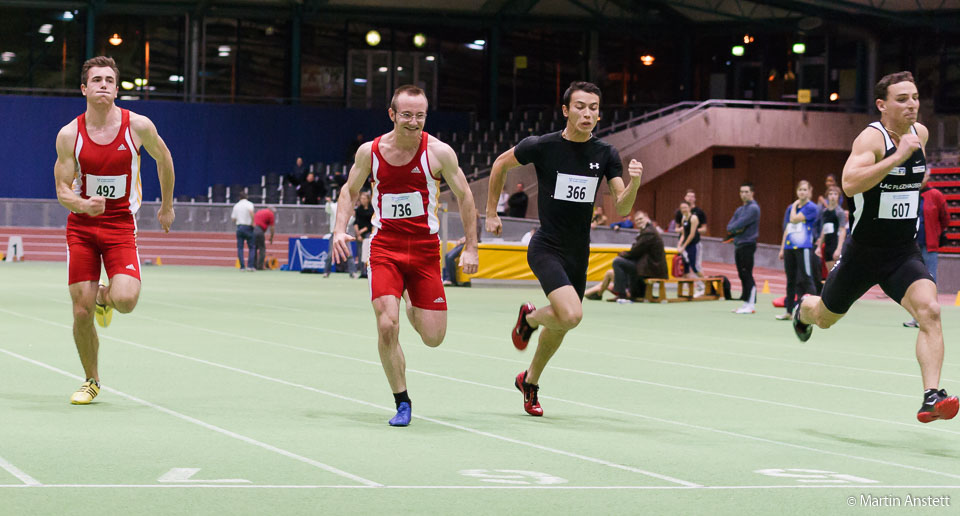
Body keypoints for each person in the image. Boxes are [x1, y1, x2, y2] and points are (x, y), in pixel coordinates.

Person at [792, 72, 958, 423]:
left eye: (914, 97)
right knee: (824, 318)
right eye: (902, 99)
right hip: (863, 254)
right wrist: (896, 158)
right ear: (883, 105)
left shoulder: (921, 135)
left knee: (930, 311)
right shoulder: (871, 139)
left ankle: (931, 396)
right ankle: (802, 309)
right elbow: (850, 184)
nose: (911, 104)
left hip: (902, 252)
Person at [485, 81, 643, 417]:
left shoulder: (606, 154)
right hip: (546, 247)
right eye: (581, 106)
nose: (588, 113)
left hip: (577, 253)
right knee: (571, 315)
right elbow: (499, 164)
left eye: (594, 108)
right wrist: (490, 213)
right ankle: (528, 318)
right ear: (565, 111)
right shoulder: (542, 146)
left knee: (559, 326)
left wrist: (635, 183)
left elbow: (624, 207)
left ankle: (529, 381)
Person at [330, 85, 479, 427]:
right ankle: (402, 401)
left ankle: (412, 302)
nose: (413, 122)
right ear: (392, 114)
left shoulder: (439, 153)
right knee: (386, 325)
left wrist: (471, 246)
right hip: (385, 248)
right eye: (407, 114)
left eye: (420, 115)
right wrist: (340, 229)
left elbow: (466, 196)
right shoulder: (371, 152)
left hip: (425, 251)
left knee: (433, 338)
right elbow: (349, 190)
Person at [54, 56, 175, 404]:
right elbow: (62, 189)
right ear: (84, 88)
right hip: (81, 227)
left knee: (125, 300)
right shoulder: (70, 135)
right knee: (80, 311)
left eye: (109, 80)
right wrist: (81, 205)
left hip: (121, 225)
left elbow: (164, 159)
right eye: (96, 80)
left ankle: (104, 298)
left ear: (116, 88)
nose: (103, 85)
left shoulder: (138, 126)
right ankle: (91, 380)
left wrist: (166, 206)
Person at [584, 211, 666, 301]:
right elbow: (637, 250)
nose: (639, 221)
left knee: (618, 261)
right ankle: (600, 293)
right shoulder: (648, 230)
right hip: (648, 265)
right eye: (637, 220)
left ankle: (621, 294)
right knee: (614, 268)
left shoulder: (648, 232)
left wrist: (622, 254)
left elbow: (635, 251)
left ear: (647, 218)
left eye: (641, 219)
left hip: (651, 268)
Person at [904, 171, 949, 328]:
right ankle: (916, 317)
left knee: (929, 281)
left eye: (923, 175)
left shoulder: (935, 194)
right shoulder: (909, 193)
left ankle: (931, 316)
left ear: (928, 177)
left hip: (929, 246)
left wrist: (936, 233)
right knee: (912, 281)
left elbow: (945, 218)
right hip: (911, 246)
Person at [776, 180, 819, 320]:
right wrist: (782, 248)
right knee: (790, 280)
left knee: (807, 277)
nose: (802, 192)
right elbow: (788, 227)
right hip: (790, 247)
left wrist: (794, 205)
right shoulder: (790, 207)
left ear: (810, 191)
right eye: (800, 190)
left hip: (804, 247)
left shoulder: (811, 207)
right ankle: (789, 312)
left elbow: (794, 219)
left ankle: (815, 311)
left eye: (805, 190)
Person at [726, 182, 761, 314]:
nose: (744, 194)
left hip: (748, 244)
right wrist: (736, 228)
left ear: (752, 193)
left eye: (746, 192)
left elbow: (737, 225)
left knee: (747, 273)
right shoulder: (740, 209)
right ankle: (746, 303)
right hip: (738, 244)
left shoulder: (753, 208)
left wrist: (737, 228)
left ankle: (751, 304)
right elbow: (730, 227)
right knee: (741, 274)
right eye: (741, 192)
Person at [815, 185, 847, 273]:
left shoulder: (839, 212)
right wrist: (819, 247)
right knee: (830, 274)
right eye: (830, 194)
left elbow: (842, 230)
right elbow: (824, 230)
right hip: (827, 246)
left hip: (835, 244)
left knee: (837, 273)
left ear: (838, 197)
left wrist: (839, 248)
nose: (832, 196)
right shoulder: (825, 212)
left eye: (835, 194)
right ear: (827, 196)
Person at [673, 189, 707, 273]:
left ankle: (702, 285)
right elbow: (678, 230)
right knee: (684, 266)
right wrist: (680, 244)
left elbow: (703, 229)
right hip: (684, 242)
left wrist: (693, 229)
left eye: (692, 196)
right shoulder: (682, 215)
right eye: (688, 196)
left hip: (694, 243)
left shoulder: (697, 214)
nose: (690, 198)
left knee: (695, 266)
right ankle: (686, 285)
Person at [676, 201, 705, 296]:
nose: (683, 210)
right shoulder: (683, 218)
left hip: (695, 245)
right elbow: (684, 234)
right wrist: (679, 244)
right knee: (686, 267)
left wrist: (683, 246)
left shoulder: (694, 218)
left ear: (689, 208)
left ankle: (704, 287)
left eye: (685, 207)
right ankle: (690, 289)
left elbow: (692, 234)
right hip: (687, 245)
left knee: (695, 266)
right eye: (682, 208)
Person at [231, 191, 256, 271]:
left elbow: (233, 218)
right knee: (251, 247)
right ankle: (250, 266)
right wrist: (253, 222)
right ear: (247, 197)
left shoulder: (236, 205)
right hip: (248, 226)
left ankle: (242, 266)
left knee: (240, 248)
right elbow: (251, 212)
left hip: (240, 226)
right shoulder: (249, 204)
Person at [353, 190, 374, 277]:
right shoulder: (358, 210)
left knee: (367, 252)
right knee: (360, 252)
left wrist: (362, 231)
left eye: (364, 198)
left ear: (368, 199)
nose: (362, 200)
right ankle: (362, 271)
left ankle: (367, 270)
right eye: (361, 198)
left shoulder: (371, 210)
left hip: (367, 233)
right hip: (359, 234)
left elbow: (371, 223)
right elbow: (356, 222)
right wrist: (358, 233)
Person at [253, 206, 276, 270]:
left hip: (253, 229)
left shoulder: (260, 211)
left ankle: (253, 265)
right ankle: (260, 266)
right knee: (262, 248)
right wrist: (271, 237)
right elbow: (272, 227)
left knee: (254, 248)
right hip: (260, 230)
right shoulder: (270, 214)